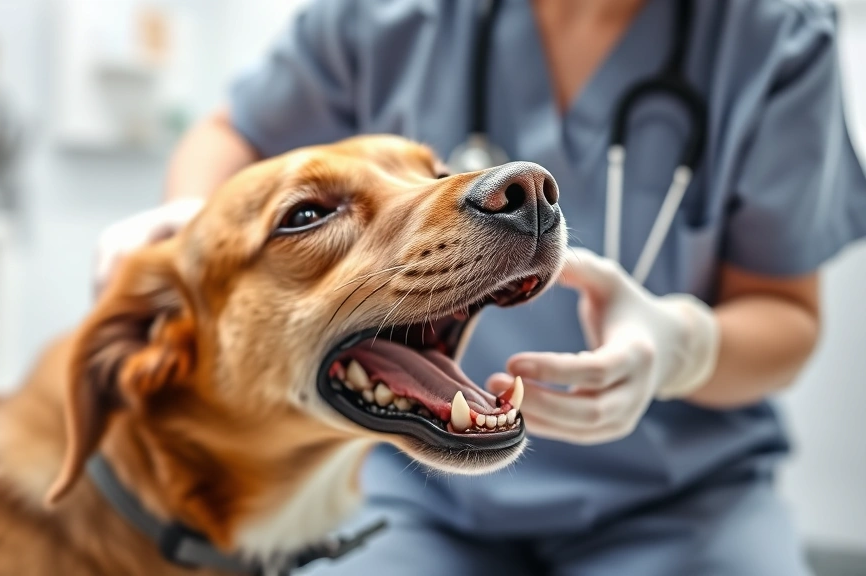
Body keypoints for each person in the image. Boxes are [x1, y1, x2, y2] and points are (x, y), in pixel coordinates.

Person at [95, 0, 866, 573]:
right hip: (414, 486)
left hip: (684, 495)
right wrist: (190, 224)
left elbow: (786, 313)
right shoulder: (394, 17)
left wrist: (683, 351)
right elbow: (234, 132)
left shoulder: (775, 35)